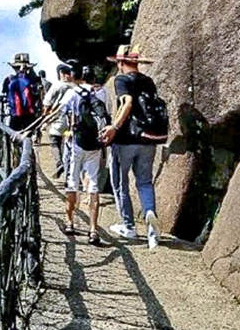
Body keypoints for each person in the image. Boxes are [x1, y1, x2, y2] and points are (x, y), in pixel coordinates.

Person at [99, 45, 163, 249]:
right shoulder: (148, 81)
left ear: (120, 62)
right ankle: (150, 220)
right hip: (148, 139)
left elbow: (127, 103)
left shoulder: (122, 80)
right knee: (144, 182)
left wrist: (114, 127)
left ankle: (129, 227)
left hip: (125, 140)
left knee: (120, 183)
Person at [60, 65, 110, 245]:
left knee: (72, 182)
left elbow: (62, 112)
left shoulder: (72, 93)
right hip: (95, 144)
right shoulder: (101, 93)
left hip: (77, 142)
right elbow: (106, 115)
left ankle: (69, 222)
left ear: (76, 76)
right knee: (93, 185)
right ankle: (93, 230)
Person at [41, 63, 75, 178]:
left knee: (54, 141)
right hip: (73, 119)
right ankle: (70, 168)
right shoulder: (74, 86)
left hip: (58, 118)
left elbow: (47, 102)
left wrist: (45, 116)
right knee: (69, 142)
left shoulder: (57, 86)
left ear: (60, 73)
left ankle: (59, 162)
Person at [1, 53, 41, 131]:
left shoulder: (8, 80)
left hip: (17, 114)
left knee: (15, 133)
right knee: (29, 132)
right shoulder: (33, 80)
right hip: (28, 114)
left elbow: (6, 92)